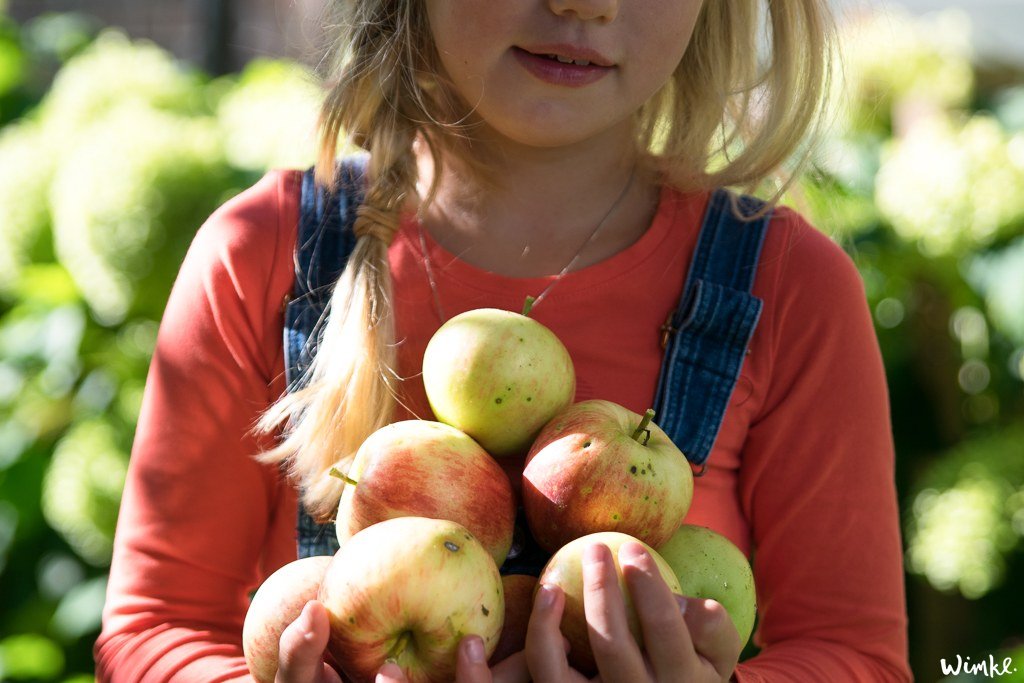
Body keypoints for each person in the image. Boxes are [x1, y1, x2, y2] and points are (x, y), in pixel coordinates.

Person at [95, 0, 912, 681]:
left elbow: (857, 655)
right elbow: (149, 634)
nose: (583, 2)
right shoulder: (264, 256)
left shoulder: (788, 289)